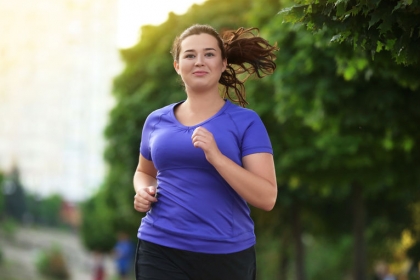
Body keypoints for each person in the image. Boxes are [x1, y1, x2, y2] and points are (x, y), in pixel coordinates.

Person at [133, 24, 278, 280]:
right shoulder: (156, 121)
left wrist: (218, 158)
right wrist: (143, 190)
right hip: (160, 247)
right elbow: (144, 171)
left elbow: (267, 197)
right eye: (190, 55)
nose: (199, 61)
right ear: (177, 66)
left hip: (226, 255)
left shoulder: (246, 122)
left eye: (209, 54)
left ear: (223, 64)